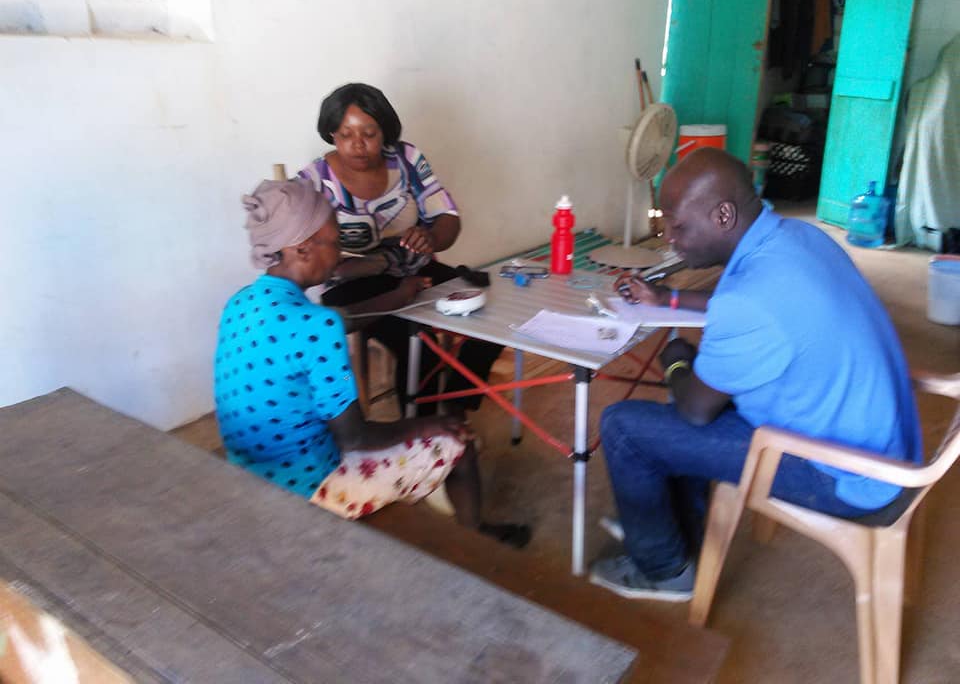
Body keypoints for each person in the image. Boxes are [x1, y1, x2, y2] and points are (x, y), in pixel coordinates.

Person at [589, 148, 921, 600]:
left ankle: (664, 568)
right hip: (884, 445)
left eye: (678, 226)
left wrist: (677, 360)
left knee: (627, 426)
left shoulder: (751, 299)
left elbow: (696, 410)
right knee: (706, 387)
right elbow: (760, 305)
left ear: (723, 215)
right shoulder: (798, 237)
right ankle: (671, 526)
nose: (669, 237)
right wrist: (667, 299)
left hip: (849, 478)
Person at [213, 178, 529, 547]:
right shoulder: (318, 326)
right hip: (311, 486)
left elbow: (337, 320)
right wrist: (431, 423)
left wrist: (398, 296)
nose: (339, 254)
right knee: (455, 437)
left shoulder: (241, 302)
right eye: (335, 243)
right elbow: (354, 438)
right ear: (302, 249)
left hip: (248, 469)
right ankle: (476, 543)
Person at [298, 82, 503, 415]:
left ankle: (455, 409)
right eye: (345, 134)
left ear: (385, 132)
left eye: (369, 133)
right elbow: (303, 253)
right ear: (331, 134)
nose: (358, 144)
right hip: (350, 285)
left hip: (415, 270)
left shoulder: (406, 160)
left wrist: (431, 238)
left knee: (493, 320)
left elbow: (447, 217)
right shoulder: (315, 181)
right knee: (418, 344)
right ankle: (422, 430)